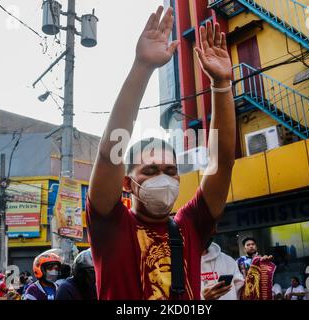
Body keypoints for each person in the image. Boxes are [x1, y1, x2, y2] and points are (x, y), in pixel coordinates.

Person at [87, 5, 236, 300]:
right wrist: (142, 68)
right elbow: (109, 154)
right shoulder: (110, 223)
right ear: (127, 183)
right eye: (150, 170)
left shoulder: (190, 225)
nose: (163, 178)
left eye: (170, 171)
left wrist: (221, 85)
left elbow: (222, 161)